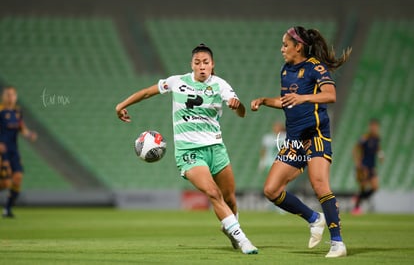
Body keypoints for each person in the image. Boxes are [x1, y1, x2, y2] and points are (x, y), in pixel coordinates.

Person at [115, 44, 258, 254]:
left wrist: (238, 106)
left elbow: (242, 113)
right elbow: (147, 92)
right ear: (191, 64)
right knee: (213, 193)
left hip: (216, 148)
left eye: (206, 63)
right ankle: (243, 239)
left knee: (229, 199)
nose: (202, 67)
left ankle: (231, 230)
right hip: (189, 151)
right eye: (197, 62)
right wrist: (121, 105)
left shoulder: (220, 85)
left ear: (212, 64)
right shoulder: (177, 82)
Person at [251, 26, 351, 258]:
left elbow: (330, 95)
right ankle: (314, 218)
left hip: (315, 135)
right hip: (294, 139)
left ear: (298, 47)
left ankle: (337, 243)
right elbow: (287, 101)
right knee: (271, 189)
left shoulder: (315, 67)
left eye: (285, 45)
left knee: (319, 184)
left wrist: (304, 97)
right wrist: (266, 100)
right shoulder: (286, 70)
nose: (282, 49)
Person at [0, 86, 37, 218]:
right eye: (7, 95)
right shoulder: (0, 110)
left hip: (13, 150)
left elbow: (22, 128)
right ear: (3, 96)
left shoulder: (17, 112)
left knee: (18, 178)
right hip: (1, 151)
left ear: (16, 97)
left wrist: (29, 135)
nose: (10, 97)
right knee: (5, 183)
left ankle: (7, 210)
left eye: (13, 95)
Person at [352, 118, 383, 215]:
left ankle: (359, 197)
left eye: (376, 127)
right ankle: (356, 208)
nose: (374, 128)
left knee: (375, 187)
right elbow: (355, 149)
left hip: (372, 166)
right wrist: (358, 162)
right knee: (363, 186)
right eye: (372, 126)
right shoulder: (365, 137)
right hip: (364, 165)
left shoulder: (377, 138)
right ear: (370, 127)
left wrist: (381, 154)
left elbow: (377, 148)